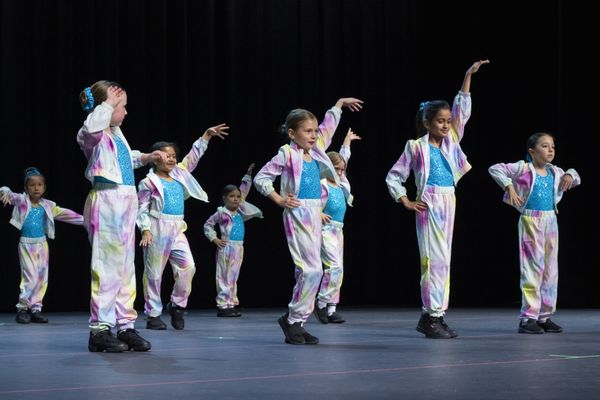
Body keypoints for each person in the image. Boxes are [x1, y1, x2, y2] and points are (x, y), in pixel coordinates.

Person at [386, 60, 489, 339]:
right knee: (433, 260)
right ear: (427, 122)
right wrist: (405, 199)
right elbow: (393, 176)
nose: (446, 125)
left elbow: (462, 111)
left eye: (447, 121)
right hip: (429, 202)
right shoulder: (415, 147)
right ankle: (431, 315)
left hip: (449, 200)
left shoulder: (452, 140)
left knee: (445, 259)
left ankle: (435, 314)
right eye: (440, 121)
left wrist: (467, 76)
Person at [254, 97, 363, 345]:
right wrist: (279, 199)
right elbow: (262, 179)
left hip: (315, 214)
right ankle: (293, 319)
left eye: (315, 131)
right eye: (308, 131)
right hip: (298, 213)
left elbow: (328, 127)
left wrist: (338, 105)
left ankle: (297, 321)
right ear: (292, 133)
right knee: (310, 270)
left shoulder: (317, 151)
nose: (314, 135)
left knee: (315, 271)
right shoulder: (287, 154)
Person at [77, 80, 167, 352]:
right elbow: (92, 128)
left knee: (126, 268)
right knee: (107, 267)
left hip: (126, 201)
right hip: (108, 200)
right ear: (105, 107)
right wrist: (107, 103)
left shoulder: (117, 134)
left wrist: (148, 157)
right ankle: (100, 329)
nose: (125, 112)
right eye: (121, 106)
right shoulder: (90, 134)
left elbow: (125, 159)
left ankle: (125, 324)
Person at [137, 126, 229, 330]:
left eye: (173, 156)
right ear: (155, 158)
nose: (171, 159)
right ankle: (153, 315)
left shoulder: (180, 174)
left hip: (177, 227)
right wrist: (145, 229)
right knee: (154, 274)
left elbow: (193, 156)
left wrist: (206, 136)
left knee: (188, 267)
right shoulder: (148, 183)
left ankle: (177, 305)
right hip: (157, 227)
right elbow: (141, 208)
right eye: (166, 156)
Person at [488, 132, 580, 334]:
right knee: (532, 268)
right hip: (531, 220)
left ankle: (544, 316)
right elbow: (495, 169)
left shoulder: (555, 171)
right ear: (532, 151)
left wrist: (569, 174)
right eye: (545, 146)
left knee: (550, 269)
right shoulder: (523, 168)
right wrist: (509, 185)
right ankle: (528, 317)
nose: (550, 150)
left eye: (552, 147)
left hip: (551, 221)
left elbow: (576, 177)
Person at [1, 167, 84, 324]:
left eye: (39, 184)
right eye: (32, 185)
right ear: (26, 188)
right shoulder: (21, 200)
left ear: (44, 187)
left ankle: (36, 309)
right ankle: (23, 308)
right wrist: (4, 193)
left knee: (41, 277)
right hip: (26, 244)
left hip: (42, 244)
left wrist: (87, 221)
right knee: (30, 276)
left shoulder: (48, 205)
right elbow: (6, 190)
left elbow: (66, 214)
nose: (36, 187)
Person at [314, 128, 360, 324]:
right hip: (325, 229)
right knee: (334, 267)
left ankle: (331, 309)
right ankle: (321, 303)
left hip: (338, 230)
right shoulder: (322, 184)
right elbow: (311, 203)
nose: (340, 172)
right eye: (336, 169)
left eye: (342, 169)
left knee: (338, 269)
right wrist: (318, 212)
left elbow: (344, 158)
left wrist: (347, 142)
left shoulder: (342, 184)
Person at [203, 164, 263, 317]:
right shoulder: (221, 212)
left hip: (238, 247)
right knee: (224, 275)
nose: (236, 199)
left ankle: (230, 303)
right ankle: (223, 305)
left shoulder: (241, 211)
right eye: (232, 196)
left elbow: (244, 191)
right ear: (224, 198)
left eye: (237, 197)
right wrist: (214, 239)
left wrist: (248, 176)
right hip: (226, 247)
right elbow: (208, 225)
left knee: (233, 276)